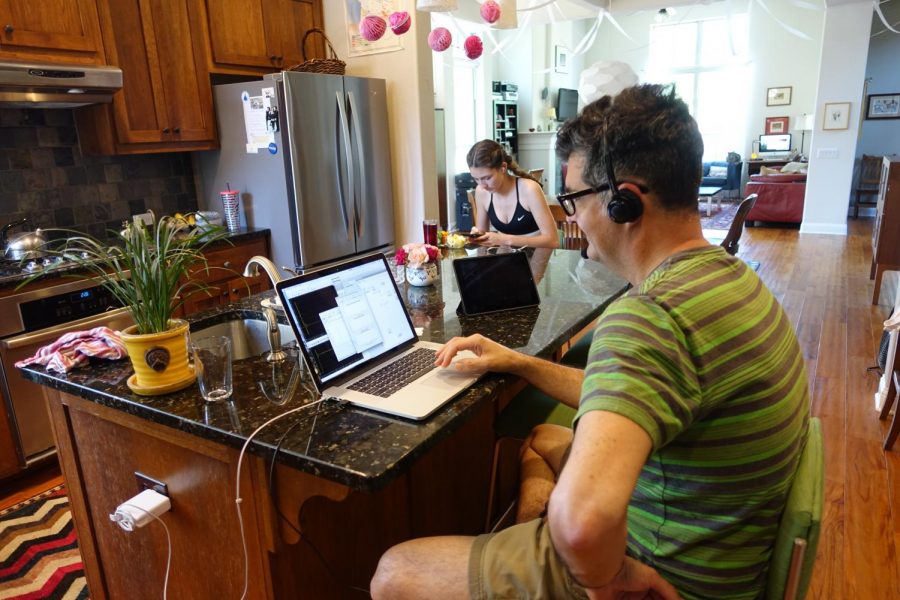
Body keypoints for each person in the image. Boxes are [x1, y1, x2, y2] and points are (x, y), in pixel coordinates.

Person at [370, 84, 810, 600]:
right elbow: (624, 388)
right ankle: (527, 543)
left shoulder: (649, 318)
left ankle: (545, 567)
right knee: (541, 437)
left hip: (660, 576)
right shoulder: (735, 280)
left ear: (624, 200)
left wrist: (606, 575)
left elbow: (583, 524)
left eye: (574, 199)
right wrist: (517, 362)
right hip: (721, 547)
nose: (572, 217)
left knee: (394, 572)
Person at [466, 139, 559, 249]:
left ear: (503, 168)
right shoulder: (481, 192)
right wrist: (477, 235)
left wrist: (504, 239)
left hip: (538, 256)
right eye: (476, 179)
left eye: (487, 178)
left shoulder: (529, 189)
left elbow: (553, 240)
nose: (482, 185)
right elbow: (482, 234)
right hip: (506, 256)